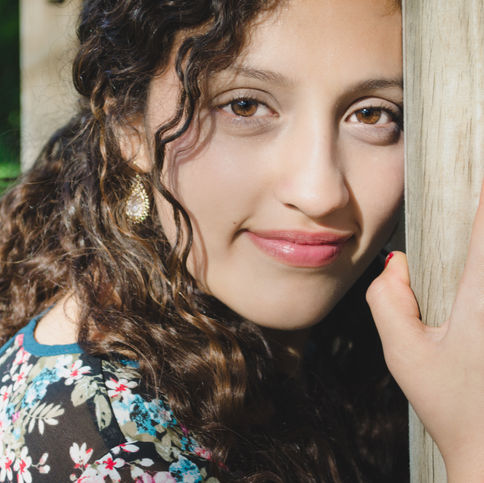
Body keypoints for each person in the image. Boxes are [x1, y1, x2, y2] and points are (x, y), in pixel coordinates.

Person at [0, 0, 483, 481]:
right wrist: (472, 443)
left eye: (372, 114)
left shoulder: (336, 341)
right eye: (244, 106)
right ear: (129, 125)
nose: (319, 194)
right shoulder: (109, 450)